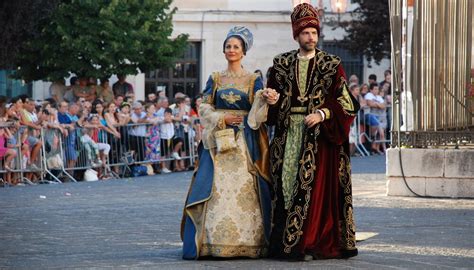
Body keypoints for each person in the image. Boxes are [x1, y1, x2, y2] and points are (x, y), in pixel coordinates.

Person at [250, 3, 359, 260]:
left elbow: (348, 103)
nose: (311, 37)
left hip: (318, 138)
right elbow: (273, 110)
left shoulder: (332, 65)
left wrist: (322, 114)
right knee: (286, 187)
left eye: (314, 32)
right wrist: (271, 98)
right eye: (305, 32)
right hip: (288, 136)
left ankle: (311, 242)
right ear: (296, 35)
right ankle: (287, 244)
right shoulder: (281, 64)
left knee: (314, 189)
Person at [181, 26, 272, 259]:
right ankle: (211, 242)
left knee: (245, 189)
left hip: (244, 144)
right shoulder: (215, 78)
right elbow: (203, 106)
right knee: (215, 188)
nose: (231, 50)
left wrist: (265, 101)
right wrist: (221, 118)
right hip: (218, 143)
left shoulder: (253, 80)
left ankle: (248, 242)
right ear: (224, 51)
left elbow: (257, 115)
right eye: (228, 46)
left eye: (236, 47)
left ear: (243, 52)